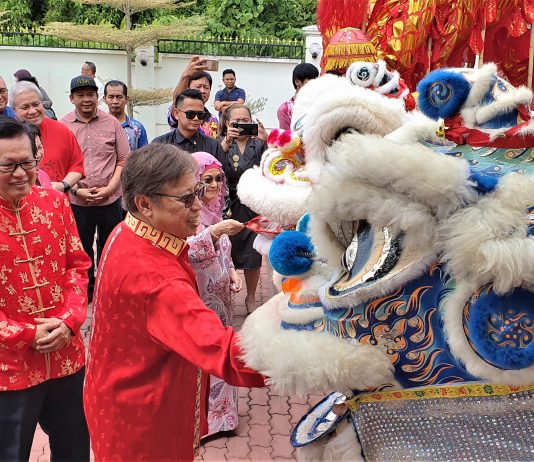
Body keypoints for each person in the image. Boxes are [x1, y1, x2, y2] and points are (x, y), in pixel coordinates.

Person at [83, 144, 265, 461]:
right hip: (146, 421)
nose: (198, 205)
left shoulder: (127, 231)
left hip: (117, 394)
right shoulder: (156, 279)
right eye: (186, 198)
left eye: (197, 192)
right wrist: (295, 348)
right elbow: (222, 350)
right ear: (145, 204)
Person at [0, 116, 91, 462]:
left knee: (73, 448)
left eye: (28, 163)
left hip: (66, 354)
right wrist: (26, 333)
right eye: (8, 166)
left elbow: (77, 265)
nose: (21, 173)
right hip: (10, 366)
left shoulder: (55, 202)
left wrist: (69, 320)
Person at [188, 151, 244, 437]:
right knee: (201, 355)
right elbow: (185, 251)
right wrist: (213, 233)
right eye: (206, 179)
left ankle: (223, 419)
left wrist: (232, 272)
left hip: (222, 302)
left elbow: (225, 253)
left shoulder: (217, 213)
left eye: (218, 179)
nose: (214, 185)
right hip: (197, 299)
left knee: (221, 353)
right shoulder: (187, 216)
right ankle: (201, 421)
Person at [61, 75, 130, 302]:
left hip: (109, 199)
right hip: (77, 200)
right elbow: (61, 163)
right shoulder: (63, 125)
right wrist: (75, 189)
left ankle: (108, 286)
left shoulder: (112, 123)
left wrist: (109, 189)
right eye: (80, 95)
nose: (86, 99)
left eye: (90, 94)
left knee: (109, 245)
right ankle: (87, 289)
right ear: (72, 98)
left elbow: (123, 159)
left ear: (97, 97)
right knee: (81, 247)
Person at [217, 104, 268, 312]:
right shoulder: (220, 143)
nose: (241, 124)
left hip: (253, 204)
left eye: (245, 120)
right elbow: (214, 164)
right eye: (236, 121)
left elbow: (272, 168)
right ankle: (225, 295)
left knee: (252, 252)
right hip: (227, 204)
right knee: (226, 250)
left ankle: (251, 296)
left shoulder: (259, 144)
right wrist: (227, 141)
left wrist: (267, 143)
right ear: (227, 124)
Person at [11, 80, 84, 192]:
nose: (32, 111)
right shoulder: (8, 137)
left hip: (58, 199)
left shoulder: (61, 130)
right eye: (25, 107)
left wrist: (63, 185)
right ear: (14, 110)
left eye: (36, 104)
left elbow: (77, 166)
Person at [152, 88, 225, 159]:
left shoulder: (213, 146)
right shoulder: (159, 145)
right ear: (176, 113)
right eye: (190, 114)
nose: (196, 118)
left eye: (200, 114)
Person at [167, 56, 219, 138]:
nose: (202, 91)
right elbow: (177, 100)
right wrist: (185, 76)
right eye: (198, 87)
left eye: (206, 87)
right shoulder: (179, 112)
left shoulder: (213, 119)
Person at [104, 79, 148, 151]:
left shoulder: (138, 128)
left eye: (119, 97)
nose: (115, 101)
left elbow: (144, 155)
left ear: (126, 99)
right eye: (111, 97)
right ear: (104, 99)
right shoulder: (99, 126)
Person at [277, 63, 319, 130]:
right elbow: (286, 135)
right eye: (309, 82)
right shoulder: (285, 109)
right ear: (297, 82)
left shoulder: (319, 103)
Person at [22, 122, 52, 188]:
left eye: (40, 147)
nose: (38, 155)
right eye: (32, 150)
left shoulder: (43, 175)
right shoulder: (17, 181)